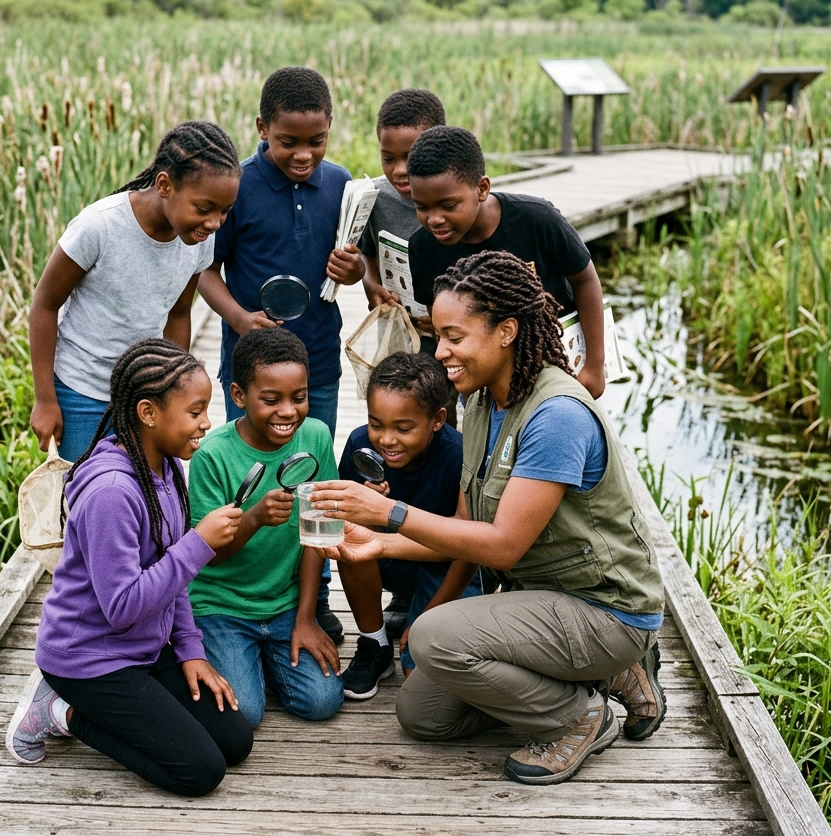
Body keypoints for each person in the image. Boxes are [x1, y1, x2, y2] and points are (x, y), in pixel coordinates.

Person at [310, 250, 666, 786]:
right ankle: (601, 675)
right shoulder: (480, 401)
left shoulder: (556, 416)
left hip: (604, 606)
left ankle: (579, 716)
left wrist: (391, 512)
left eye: (455, 336)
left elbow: (500, 547)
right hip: (542, 600)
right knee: (423, 716)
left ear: (507, 332)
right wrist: (376, 543)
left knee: (432, 637)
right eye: (439, 333)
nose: (441, 349)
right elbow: (462, 528)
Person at [6, 339, 253, 797]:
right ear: (148, 412)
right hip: (88, 659)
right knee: (200, 772)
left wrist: (190, 650)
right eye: (195, 411)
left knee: (235, 741)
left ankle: (104, 699)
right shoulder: (112, 494)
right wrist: (198, 545)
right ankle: (59, 711)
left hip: (144, 647)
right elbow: (121, 606)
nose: (207, 423)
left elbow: (170, 573)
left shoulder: (165, 467)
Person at [198, 66, 363, 642]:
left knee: (313, 482)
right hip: (253, 362)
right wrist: (240, 318)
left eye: (315, 141)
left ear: (330, 131)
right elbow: (205, 269)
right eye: (288, 141)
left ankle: (309, 601)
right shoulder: (236, 186)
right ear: (262, 127)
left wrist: (357, 269)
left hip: (317, 357)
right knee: (255, 474)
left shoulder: (342, 184)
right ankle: (248, 588)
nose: (303, 154)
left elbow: (355, 262)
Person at [29, 121, 241, 461]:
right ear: (164, 185)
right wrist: (45, 399)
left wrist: (174, 393)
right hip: (82, 393)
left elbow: (179, 313)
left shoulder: (199, 239)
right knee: (85, 500)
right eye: (204, 209)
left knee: (151, 500)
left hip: (147, 397)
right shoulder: (100, 226)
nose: (214, 222)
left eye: (224, 211)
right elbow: (44, 305)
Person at [187, 328, 345, 728]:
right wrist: (254, 518)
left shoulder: (316, 436)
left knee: (323, 701)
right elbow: (207, 553)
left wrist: (306, 617)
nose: (288, 411)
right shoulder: (212, 455)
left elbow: (318, 534)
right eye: (271, 400)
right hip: (221, 605)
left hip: (284, 603)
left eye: (300, 397)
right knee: (247, 715)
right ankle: (242, 657)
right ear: (239, 396)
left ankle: (265, 657)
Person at [406, 126, 609, 401]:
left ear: (481, 188)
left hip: (556, 364)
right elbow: (442, 320)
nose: (435, 219)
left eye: (448, 206)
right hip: (483, 380)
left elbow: (585, 280)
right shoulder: (422, 247)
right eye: (422, 207)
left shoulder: (538, 220)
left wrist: (594, 367)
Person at [335, 352, 491, 700]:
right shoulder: (361, 444)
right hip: (389, 561)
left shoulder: (459, 455)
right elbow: (339, 522)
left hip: (447, 568)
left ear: (438, 419)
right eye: (377, 424)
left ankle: (416, 610)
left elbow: (469, 549)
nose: (387, 440)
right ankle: (374, 642)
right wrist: (362, 509)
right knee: (348, 539)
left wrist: (430, 614)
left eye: (403, 428)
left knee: (417, 674)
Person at [359, 88, 445, 316]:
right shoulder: (375, 197)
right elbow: (366, 252)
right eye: (388, 158)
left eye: (411, 156)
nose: (399, 170)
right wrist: (371, 284)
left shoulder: (459, 201)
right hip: (397, 332)